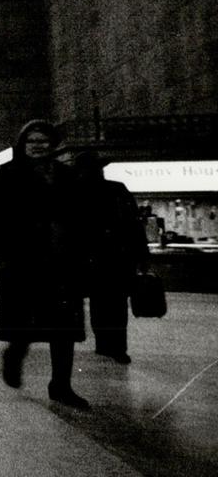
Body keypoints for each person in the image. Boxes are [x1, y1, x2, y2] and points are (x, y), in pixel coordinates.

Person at [0, 119, 91, 410]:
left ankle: (61, 386)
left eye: (43, 142)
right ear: (23, 144)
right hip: (24, 259)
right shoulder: (9, 174)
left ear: (52, 145)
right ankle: (15, 354)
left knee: (64, 329)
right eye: (32, 141)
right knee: (25, 321)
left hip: (61, 260)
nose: (37, 146)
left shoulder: (66, 175)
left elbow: (80, 215)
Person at [73, 151, 148, 363]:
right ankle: (114, 346)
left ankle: (109, 345)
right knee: (113, 305)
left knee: (104, 304)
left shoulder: (81, 192)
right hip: (113, 258)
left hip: (105, 259)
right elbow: (135, 225)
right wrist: (141, 255)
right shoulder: (116, 190)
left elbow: (133, 224)